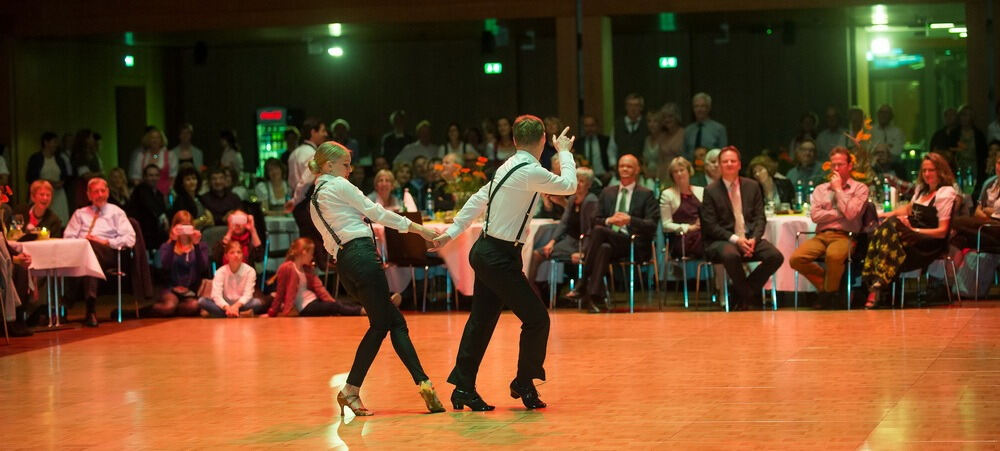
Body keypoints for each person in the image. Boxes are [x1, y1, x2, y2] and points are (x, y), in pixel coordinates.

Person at [432, 116, 577, 411]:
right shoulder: (531, 170)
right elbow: (570, 185)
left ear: (513, 140)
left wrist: (450, 233)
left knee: (481, 322)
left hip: (486, 250)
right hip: (498, 257)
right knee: (537, 319)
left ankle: (463, 388)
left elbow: (477, 198)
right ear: (542, 141)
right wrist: (564, 151)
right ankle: (523, 383)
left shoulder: (506, 166)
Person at [308, 140, 445, 416]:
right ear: (328, 166)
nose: (349, 169)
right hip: (361, 257)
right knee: (385, 324)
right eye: (345, 164)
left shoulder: (313, 200)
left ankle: (422, 384)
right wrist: (419, 229)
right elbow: (377, 213)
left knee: (390, 322)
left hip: (345, 266)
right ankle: (352, 389)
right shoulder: (338, 185)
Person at [563, 154, 659, 313]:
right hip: (610, 242)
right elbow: (595, 220)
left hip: (633, 243)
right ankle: (595, 297)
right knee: (604, 247)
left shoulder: (646, 194)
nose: (624, 169)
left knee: (600, 232)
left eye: (629, 166)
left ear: (637, 169)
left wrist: (630, 220)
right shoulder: (608, 192)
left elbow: (652, 225)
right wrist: (609, 221)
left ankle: (582, 283)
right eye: (622, 166)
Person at [862, 153, 957, 308]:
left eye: (931, 170)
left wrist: (913, 229)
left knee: (889, 227)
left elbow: (942, 232)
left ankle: (874, 284)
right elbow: (908, 209)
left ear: (940, 171)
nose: (927, 174)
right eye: (924, 170)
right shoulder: (921, 190)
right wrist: (886, 214)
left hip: (928, 243)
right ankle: (878, 283)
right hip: (908, 239)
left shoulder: (945, 193)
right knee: (887, 224)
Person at [700, 146, 784, 310]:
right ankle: (748, 295)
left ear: (739, 164)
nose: (729, 164)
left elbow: (760, 217)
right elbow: (710, 225)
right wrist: (736, 240)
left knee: (775, 256)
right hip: (723, 239)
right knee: (731, 255)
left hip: (750, 237)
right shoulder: (710, 191)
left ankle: (740, 292)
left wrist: (754, 239)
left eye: (733, 161)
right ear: (720, 165)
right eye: (725, 161)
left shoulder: (752, 186)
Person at [789, 147, 870, 309]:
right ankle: (830, 289)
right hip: (821, 235)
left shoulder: (860, 188)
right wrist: (841, 212)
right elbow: (815, 216)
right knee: (796, 258)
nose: (836, 169)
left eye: (840, 165)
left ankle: (828, 297)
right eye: (833, 165)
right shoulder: (821, 189)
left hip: (846, 235)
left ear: (849, 166)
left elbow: (853, 214)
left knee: (833, 256)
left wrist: (839, 189)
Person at [63, 177, 137, 327]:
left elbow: (130, 238)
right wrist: (83, 242)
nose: (100, 194)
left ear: (108, 192)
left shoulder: (116, 212)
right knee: (89, 254)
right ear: (89, 195)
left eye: (103, 191)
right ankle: (90, 309)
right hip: (84, 253)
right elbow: (68, 237)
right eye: (96, 192)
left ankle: (67, 301)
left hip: (109, 253)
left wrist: (106, 242)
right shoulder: (80, 214)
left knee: (91, 250)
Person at [526, 167, 598, 295]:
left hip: (584, 244)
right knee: (538, 254)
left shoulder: (590, 200)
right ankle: (530, 289)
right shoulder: (572, 199)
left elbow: (590, 230)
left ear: (589, 184)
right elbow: (564, 223)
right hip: (570, 242)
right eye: (576, 180)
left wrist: (583, 251)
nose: (578, 183)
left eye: (582, 181)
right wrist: (552, 242)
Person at [265, 238, 365, 317]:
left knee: (337, 304)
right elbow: (280, 292)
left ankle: (363, 309)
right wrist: (272, 312)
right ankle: (361, 311)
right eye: (311, 254)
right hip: (305, 307)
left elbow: (319, 288)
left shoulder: (306, 269)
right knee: (335, 306)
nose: (311, 257)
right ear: (304, 252)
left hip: (313, 301)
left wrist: (330, 300)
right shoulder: (286, 268)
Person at [148, 214, 208, 317]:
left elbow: (203, 268)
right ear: (174, 227)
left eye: (187, 226)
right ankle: (145, 311)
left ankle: (173, 311)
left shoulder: (200, 246)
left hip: (189, 291)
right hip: (170, 288)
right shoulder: (167, 246)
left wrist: (196, 245)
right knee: (169, 306)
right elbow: (165, 266)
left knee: (194, 306)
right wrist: (173, 242)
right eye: (181, 226)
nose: (184, 231)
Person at [198, 241, 265, 318]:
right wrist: (228, 308)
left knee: (257, 303)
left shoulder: (250, 271)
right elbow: (216, 295)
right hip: (224, 305)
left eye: (239, 252)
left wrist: (236, 306)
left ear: (242, 255)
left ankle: (225, 314)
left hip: (241, 305)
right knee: (202, 301)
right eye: (232, 253)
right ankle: (236, 314)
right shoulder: (220, 272)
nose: (236, 255)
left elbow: (248, 294)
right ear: (226, 256)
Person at [953, 150, 1000, 252]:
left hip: (997, 229)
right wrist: (990, 214)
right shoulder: (990, 183)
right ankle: (949, 264)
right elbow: (977, 211)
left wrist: (988, 211)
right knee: (959, 238)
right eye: (998, 163)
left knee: (957, 222)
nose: (999, 167)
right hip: (985, 225)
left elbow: (988, 212)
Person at [660, 157, 705, 259]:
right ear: (672, 176)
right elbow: (666, 225)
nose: (679, 174)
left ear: (689, 171)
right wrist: (689, 228)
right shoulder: (667, 194)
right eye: (675, 171)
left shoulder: (701, 191)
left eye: (682, 170)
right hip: (680, 237)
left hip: (702, 232)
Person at [27, 132, 72, 223]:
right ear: (46, 142)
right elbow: (30, 177)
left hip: (58, 195)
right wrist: (50, 183)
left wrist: (61, 182)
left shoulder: (60, 159)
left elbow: (65, 175)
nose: (56, 145)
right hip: (41, 193)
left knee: (59, 220)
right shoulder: (36, 158)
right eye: (54, 142)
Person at [127, 164, 169, 252]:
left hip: (155, 236)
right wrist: (163, 217)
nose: (153, 178)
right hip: (142, 235)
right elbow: (149, 206)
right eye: (150, 175)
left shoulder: (159, 194)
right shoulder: (140, 190)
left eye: (156, 175)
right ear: (144, 177)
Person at [129, 127, 176, 195]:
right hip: (145, 194)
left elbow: (172, 177)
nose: (155, 140)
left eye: (157, 138)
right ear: (148, 140)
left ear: (161, 140)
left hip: (165, 193)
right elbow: (136, 178)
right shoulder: (141, 156)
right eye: (152, 138)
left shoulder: (170, 156)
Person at [683, 92, 727, 157]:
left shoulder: (719, 129)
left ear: (709, 108)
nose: (699, 109)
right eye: (696, 106)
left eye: (702, 106)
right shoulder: (688, 130)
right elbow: (684, 153)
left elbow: (723, 154)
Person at [576, 115, 614, 184]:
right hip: (584, 178)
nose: (589, 128)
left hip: (604, 177)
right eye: (586, 126)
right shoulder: (578, 144)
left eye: (592, 125)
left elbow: (612, 156)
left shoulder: (605, 141)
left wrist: (610, 173)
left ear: (597, 126)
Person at [609, 93, 648, 159]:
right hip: (623, 166)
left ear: (641, 108)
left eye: (636, 105)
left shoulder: (647, 124)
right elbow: (612, 147)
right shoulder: (618, 124)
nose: (633, 109)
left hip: (641, 166)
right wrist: (613, 164)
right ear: (626, 107)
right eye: (630, 105)